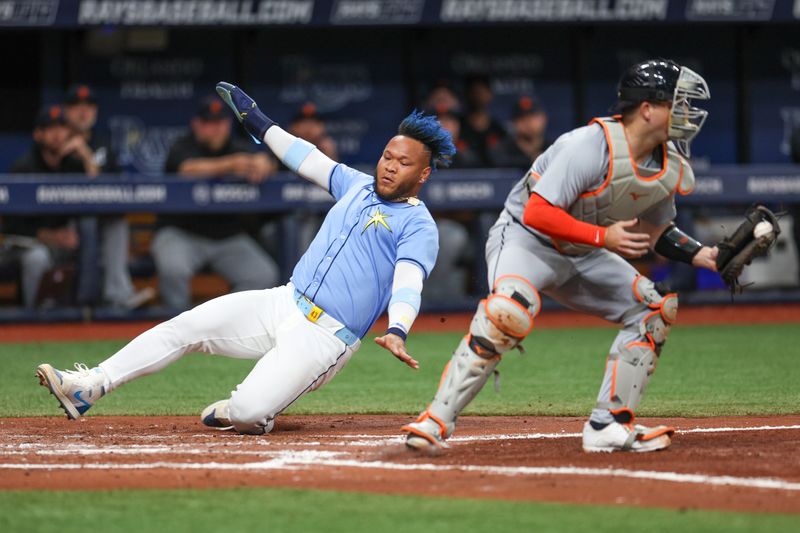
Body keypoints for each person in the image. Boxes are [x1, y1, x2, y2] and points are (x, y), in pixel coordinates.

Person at [35, 82, 455, 436]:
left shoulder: (419, 226)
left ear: (422, 174)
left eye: (403, 163)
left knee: (250, 412)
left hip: (326, 337)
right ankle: (89, 385)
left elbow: (408, 281)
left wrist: (399, 327)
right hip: (284, 302)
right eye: (387, 156)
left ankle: (244, 409)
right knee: (185, 325)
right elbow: (301, 154)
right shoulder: (356, 184)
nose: (389, 167)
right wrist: (257, 120)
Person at [402, 59, 716, 453]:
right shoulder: (589, 144)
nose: (687, 113)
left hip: (584, 251)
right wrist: (604, 236)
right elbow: (538, 211)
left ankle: (609, 424)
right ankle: (434, 421)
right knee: (509, 311)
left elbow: (656, 231)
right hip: (525, 238)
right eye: (677, 102)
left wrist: (707, 256)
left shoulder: (666, 163)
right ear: (648, 109)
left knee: (654, 308)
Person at [153, 96, 280, 310]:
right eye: (209, 123)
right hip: (182, 233)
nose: (215, 128)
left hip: (227, 236)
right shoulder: (183, 145)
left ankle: (221, 319)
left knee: (264, 275)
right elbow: (187, 169)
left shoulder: (237, 146)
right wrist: (232, 164)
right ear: (197, 124)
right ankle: (178, 326)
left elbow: (266, 163)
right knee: (172, 268)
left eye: (220, 122)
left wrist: (264, 163)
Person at [62, 84, 154, 309]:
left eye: (89, 106)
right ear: (67, 111)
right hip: (62, 222)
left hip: (97, 221)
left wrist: (85, 155)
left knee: (116, 221)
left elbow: (112, 188)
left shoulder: (102, 144)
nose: (84, 112)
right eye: (77, 106)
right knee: (86, 224)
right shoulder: (54, 139)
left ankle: (120, 295)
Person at [4, 105, 83, 308]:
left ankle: (88, 310)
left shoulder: (73, 165)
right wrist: (51, 236)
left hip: (63, 244)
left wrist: (86, 155)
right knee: (37, 257)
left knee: (89, 242)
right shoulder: (24, 167)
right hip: (24, 245)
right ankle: (37, 320)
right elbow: (13, 226)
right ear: (38, 134)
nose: (58, 134)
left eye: (62, 128)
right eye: (50, 128)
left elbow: (102, 195)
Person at [490, 96, 551, 169]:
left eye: (533, 116)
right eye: (521, 118)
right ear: (513, 122)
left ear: (544, 118)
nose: (528, 122)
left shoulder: (553, 147)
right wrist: (531, 160)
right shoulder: (502, 150)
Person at [459, 75, 507, 167]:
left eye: (481, 92)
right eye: (474, 92)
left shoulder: (498, 129)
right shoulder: (458, 126)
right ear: (466, 94)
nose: (477, 96)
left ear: (490, 94)